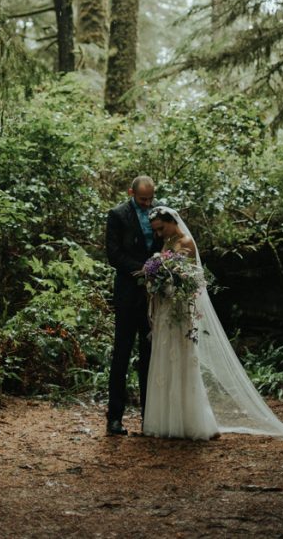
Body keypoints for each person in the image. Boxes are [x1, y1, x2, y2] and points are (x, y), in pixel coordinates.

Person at [142, 206, 283, 442]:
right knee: (166, 359)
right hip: (168, 310)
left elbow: (189, 280)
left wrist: (165, 278)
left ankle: (188, 421)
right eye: (155, 231)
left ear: (171, 220)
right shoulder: (168, 242)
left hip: (180, 310)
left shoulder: (185, 242)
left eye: (161, 228)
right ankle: (167, 420)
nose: (159, 235)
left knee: (182, 361)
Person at [105, 175, 163, 436]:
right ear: (131, 193)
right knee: (122, 354)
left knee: (150, 356)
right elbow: (113, 254)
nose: (148, 203)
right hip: (128, 294)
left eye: (151, 198)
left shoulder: (161, 212)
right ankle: (114, 418)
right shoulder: (117, 215)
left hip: (155, 297)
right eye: (143, 199)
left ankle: (149, 418)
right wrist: (142, 270)